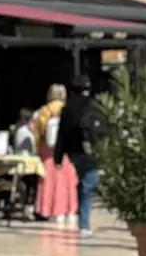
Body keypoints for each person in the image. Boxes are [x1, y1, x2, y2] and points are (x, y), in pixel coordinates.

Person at [54, 79, 104, 234]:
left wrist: (58, 155)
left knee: (84, 181)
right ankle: (83, 223)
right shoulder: (93, 106)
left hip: (73, 151)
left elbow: (61, 134)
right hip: (89, 150)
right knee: (88, 184)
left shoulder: (67, 109)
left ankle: (81, 217)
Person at [34, 83, 76, 227]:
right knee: (66, 182)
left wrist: (38, 150)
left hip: (47, 152)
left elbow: (37, 134)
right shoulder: (68, 110)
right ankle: (69, 211)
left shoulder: (43, 112)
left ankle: (49, 210)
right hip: (65, 152)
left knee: (49, 182)